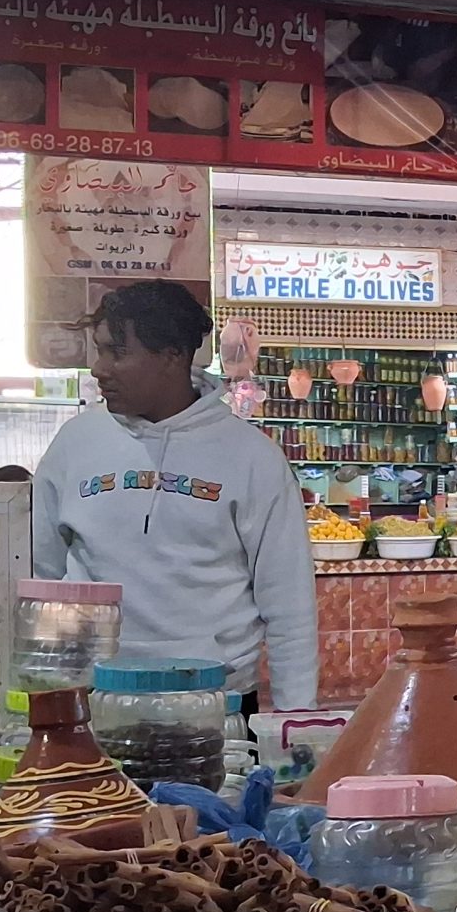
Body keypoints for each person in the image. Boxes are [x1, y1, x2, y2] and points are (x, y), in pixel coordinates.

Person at [31, 281, 318, 711]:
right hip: (95, 700)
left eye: (117, 352)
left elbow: (289, 605)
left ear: (173, 356)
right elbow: (40, 576)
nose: (99, 369)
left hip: (217, 705)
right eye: (100, 351)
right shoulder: (74, 444)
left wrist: (296, 722)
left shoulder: (253, 459)